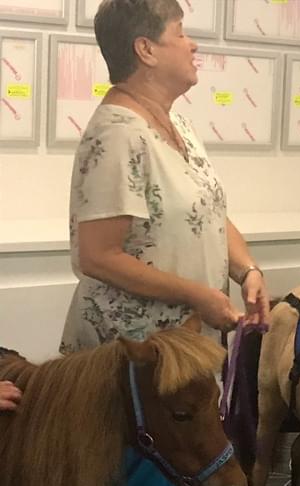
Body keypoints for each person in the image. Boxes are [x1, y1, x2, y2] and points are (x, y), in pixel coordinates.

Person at [59, 0, 270, 355]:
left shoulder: (180, 125)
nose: (193, 44)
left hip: (183, 351)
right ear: (146, 49)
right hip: (134, 358)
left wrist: (248, 271)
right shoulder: (117, 134)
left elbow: (208, 215)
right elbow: (98, 255)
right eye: (181, 32)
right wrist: (196, 294)